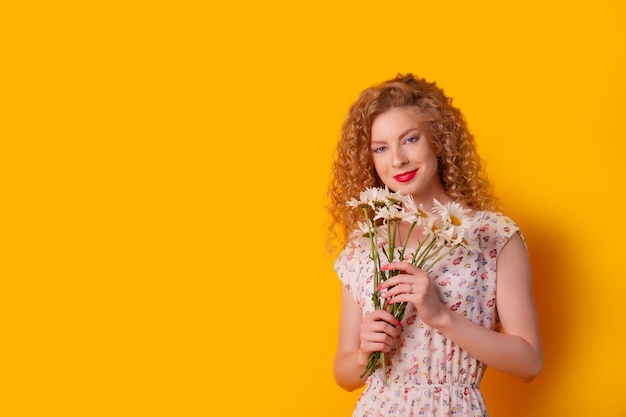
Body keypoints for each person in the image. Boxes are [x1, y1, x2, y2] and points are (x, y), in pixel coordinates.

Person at [327, 73, 543, 416]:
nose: (397, 159)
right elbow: (344, 373)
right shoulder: (364, 247)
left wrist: (441, 316)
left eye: (410, 139)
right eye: (380, 148)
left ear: (438, 140)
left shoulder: (494, 236)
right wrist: (364, 355)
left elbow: (529, 362)